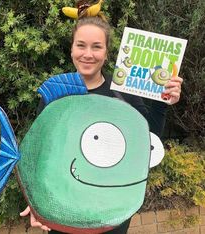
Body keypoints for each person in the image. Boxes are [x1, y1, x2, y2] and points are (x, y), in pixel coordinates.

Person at [20, 15, 183, 234]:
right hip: (63, 215)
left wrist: (162, 102)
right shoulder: (56, 93)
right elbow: (43, 156)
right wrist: (35, 205)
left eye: (96, 47)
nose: (88, 54)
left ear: (106, 53)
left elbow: (148, 138)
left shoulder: (122, 91)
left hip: (111, 215)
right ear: (71, 49)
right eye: (81, 45)